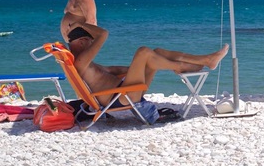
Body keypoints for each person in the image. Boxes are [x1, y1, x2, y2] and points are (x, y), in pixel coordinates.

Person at [66, 23, 227, 120]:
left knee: (156, 52)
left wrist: (138, 68)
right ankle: (181, 66)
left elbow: (111, 70)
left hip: (125, 91)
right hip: (122, 96)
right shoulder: (80, 62)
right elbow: (104, 34)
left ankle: (205, 60)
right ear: (82, 41)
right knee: (143, 51)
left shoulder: (84, 63)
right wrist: (80, 25)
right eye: (90, 42)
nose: (92, 44)